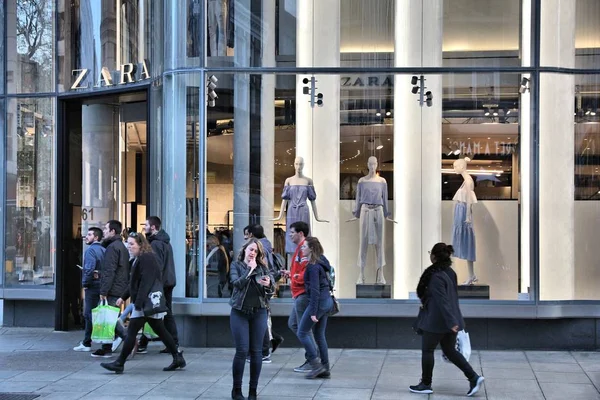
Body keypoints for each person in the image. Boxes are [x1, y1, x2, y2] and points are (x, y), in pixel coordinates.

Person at [100, 233, 186, 374]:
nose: (129, 246)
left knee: (132, 332)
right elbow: (135, 283)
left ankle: (120, 363)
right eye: (128, 243)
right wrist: (124, 296)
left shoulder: (146, 258)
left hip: (145, 302)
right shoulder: (142, 258)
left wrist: (137, 303)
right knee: (161, 331)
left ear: (141, 245)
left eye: (132, 244)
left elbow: (146, 282)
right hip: (147, 302)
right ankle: (177, 357)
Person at [410, 243, 485, 396]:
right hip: (449, 320)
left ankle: (425, 383)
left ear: (434, 257)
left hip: (437, 321)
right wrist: (453, 320)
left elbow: (442, 300)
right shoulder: (450, 272)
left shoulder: (435, 276)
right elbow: (452, 298)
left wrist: (451, 321)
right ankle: (473, 377)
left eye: (431, 253)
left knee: (428, 350)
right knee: (450, 350)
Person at [229, 238, 275, 400]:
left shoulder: (263, 268)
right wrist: (249, 271)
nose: (252, 253)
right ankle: (236, 390)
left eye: (255, 251)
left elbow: (271, 291)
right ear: (244, 250)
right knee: (242, 350)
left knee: (256, 352)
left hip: (259, 312)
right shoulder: (236, 266)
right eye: (250, 250)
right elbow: (236, 284)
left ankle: (253, 391)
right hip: (240, 312)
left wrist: (268, 284)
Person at [137, 216, 179, 353]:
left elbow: (156, 266)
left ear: (153, 227)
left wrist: (152, 283)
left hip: (161, 282)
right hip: (168, 281)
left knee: (152, 311)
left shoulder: (155, 244)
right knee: (164, 312)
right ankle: (171, 342)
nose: (144, 228)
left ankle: (145, 342)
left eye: (146, 225)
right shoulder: (165, 242)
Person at [281, 221, 318, 373]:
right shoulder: (300, 249)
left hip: (302, 294)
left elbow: (306, 273)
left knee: (302, 328)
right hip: (299, 294)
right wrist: (291, 274)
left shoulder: (304, 249)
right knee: (295, 325)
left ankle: (313, 358)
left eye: (292, 232)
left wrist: (294, 277)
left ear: (301, 233)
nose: (289, 235)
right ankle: (312, 356)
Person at [296, 237, 334, 379]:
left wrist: (313, 312)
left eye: (304, 246)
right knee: (319, 335)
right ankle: (325, 367)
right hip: (326, 302)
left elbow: (315, 290)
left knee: (302, 332)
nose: (302, 248)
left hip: (319, 303)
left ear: (311, 248)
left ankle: (316, 365)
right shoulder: (321, 262)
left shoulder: (312, 266)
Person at [246, 224, 285, 362]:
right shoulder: (266, 245)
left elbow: (261, 268)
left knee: (260, 319)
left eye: (246, 234)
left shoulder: (258, 248)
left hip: (261, 287)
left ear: (251, 234)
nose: (245, 237)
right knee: (262, 318)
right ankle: (271, 341)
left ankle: (264, 351)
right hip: (265, 285)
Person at [92, 220, 130, 358]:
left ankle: (129, 340)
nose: (104, 231)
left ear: (113, 231)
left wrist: (103, 291)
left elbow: (110, 270)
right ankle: (106, 347)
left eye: (106, 229)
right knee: (108, 316)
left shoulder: (113, 247)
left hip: (113, 288)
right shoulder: (120, 246)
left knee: (110, 318)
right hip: (118, 286)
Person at [73, 227, 105, 352]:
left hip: (92, 285)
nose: (87, 236)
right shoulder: (104, 250)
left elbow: (89, 269)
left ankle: (87, 342)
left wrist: (85, 283)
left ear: (96, 237)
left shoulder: (90, 251)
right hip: (101, 284)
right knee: (101, 312)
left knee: (89, 314)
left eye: (90, 234)